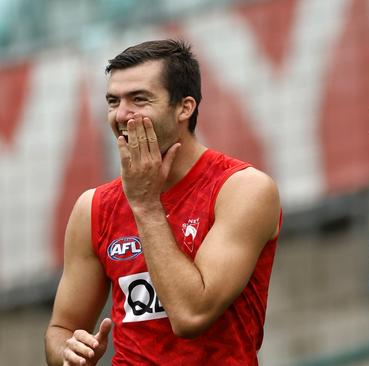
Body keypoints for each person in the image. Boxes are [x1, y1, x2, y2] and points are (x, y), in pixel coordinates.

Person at [44, 40, 282, 365]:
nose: (121, 115)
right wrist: (67, 353)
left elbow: (190, 316)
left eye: (139, 99)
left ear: (185, 107)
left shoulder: (243, 189)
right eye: (113, 101)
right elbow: (61, 329)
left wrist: (145, 205)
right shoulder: (93, 208)